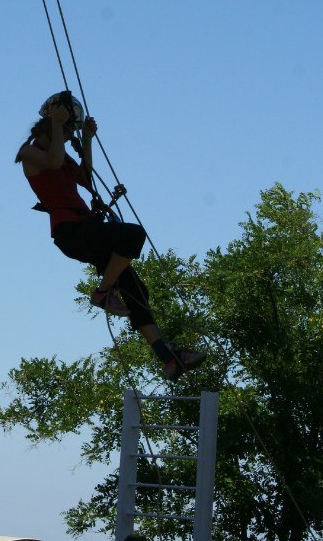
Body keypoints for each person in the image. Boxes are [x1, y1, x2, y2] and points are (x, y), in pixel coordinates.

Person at [16, 91, 207, 381]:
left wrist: (88, 140)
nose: (69, 137)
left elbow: (85, 177)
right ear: (56, 125)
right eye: (69, 130)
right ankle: (103, 293)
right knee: (133, 235)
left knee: (137, 293)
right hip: (70, 231)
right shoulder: (29, 152)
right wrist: (56, 124)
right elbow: (53, 162)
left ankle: (168, 358)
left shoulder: (62, 153)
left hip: (85, 227)